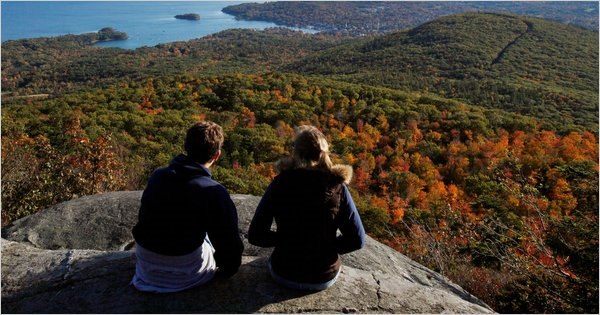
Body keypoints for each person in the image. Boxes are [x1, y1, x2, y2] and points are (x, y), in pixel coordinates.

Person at [248, 125, 365, 290]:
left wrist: (287, 241)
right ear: (323, 152)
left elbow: (256, 236)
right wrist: (324, 246)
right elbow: (357, 240)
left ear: (296, 152)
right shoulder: (337, 187)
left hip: (284, 272)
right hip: (323, 276)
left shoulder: (280, 183)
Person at [131, 121, 243, 293]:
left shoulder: (158, 176)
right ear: (217, 155)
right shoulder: (214, 192)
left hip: (146, 268)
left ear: (186, 146)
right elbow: (230, 247)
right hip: (186, 274)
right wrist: (227, 272)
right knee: (207, 237)